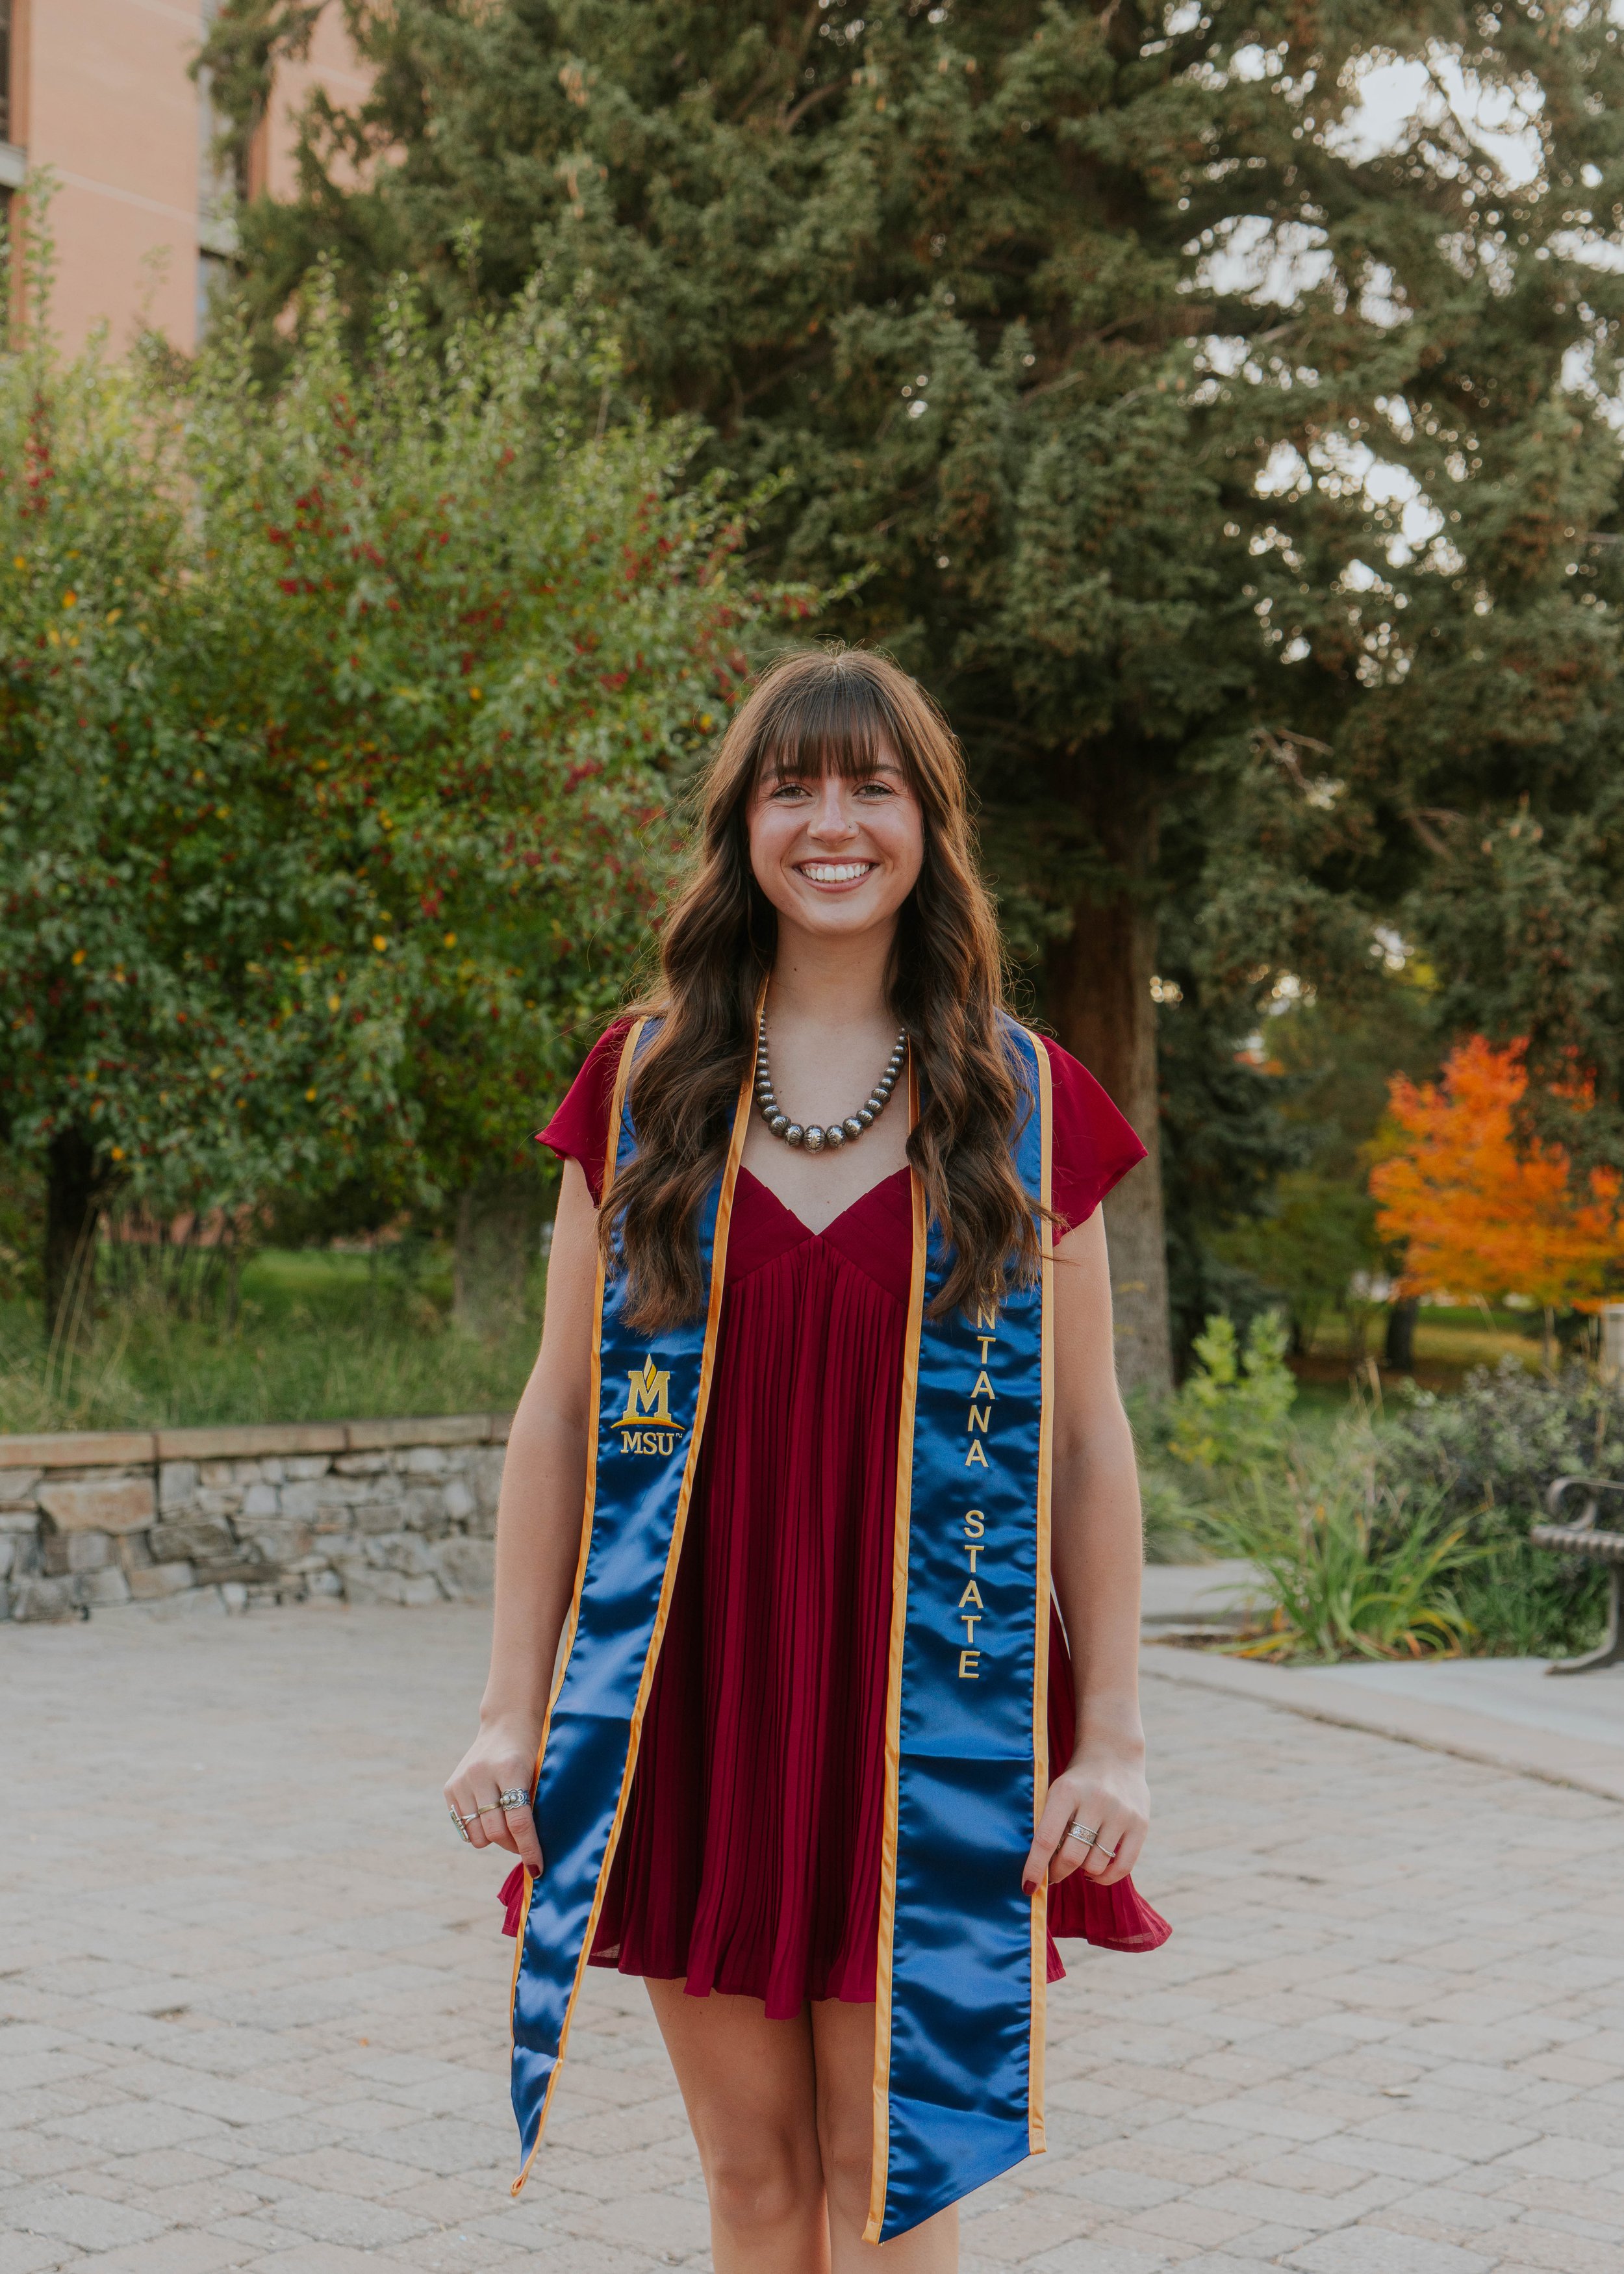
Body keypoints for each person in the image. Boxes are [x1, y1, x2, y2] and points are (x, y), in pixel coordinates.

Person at [444, 647, 1168, 2273]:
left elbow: (1085, 1438)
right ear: (741, 826)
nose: (830, 822)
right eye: (793, 787)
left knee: (887, 2178)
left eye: (871, 787)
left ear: (927, 824)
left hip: (928, 1703)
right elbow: (558, 1411)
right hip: (696, 1694)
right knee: (755, 2184)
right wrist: (510, 1705)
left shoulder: (1025, 1099)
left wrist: (1109, 1735)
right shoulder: (644, 1088)